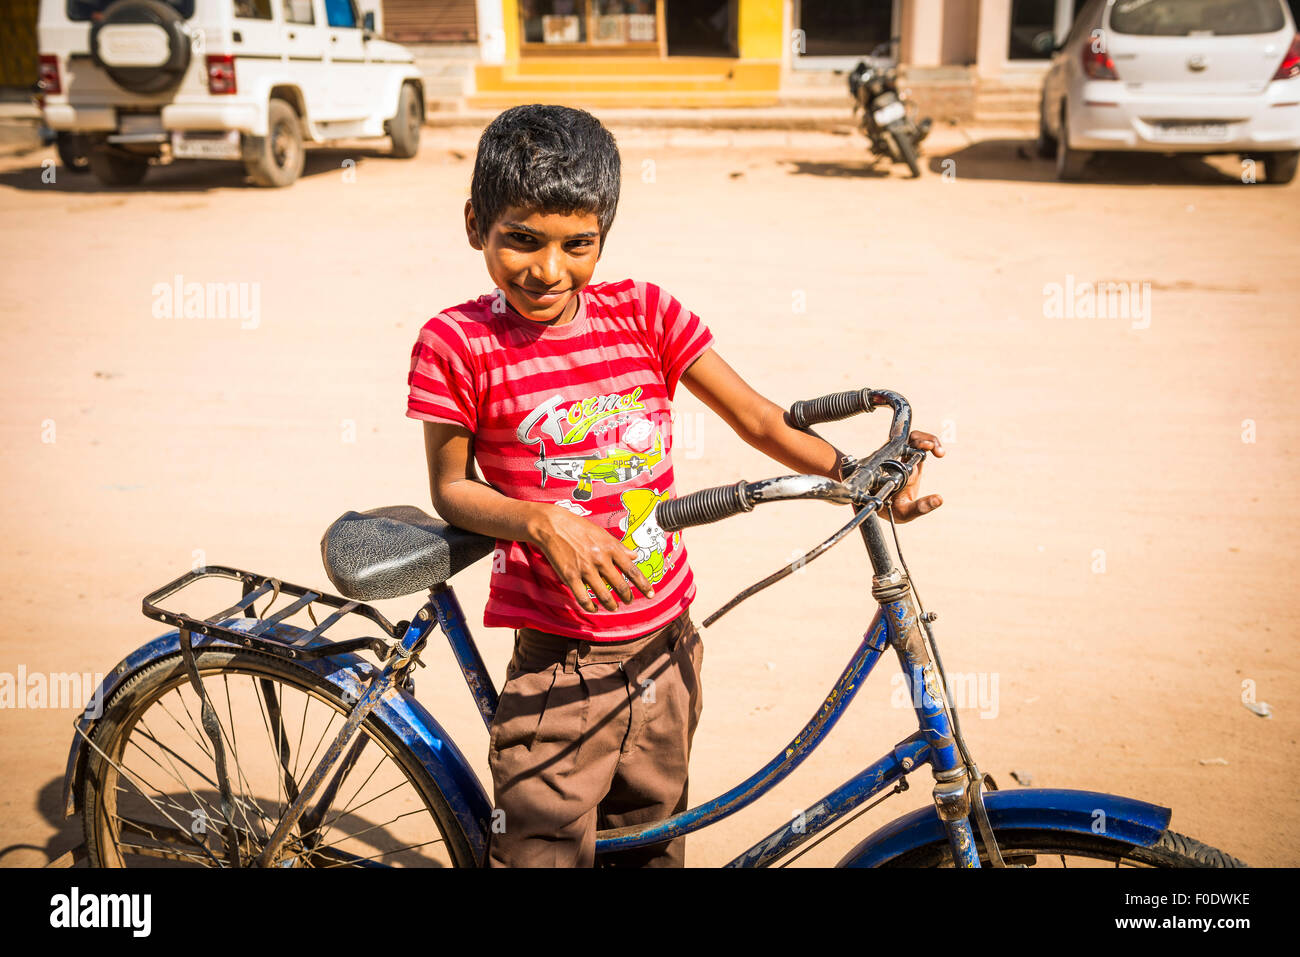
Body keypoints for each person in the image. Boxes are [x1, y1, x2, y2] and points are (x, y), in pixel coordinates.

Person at [406, 104, 944, 867]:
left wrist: (855, 473)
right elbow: (451, 490)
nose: (548, 269)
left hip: (668, 649)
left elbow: (759, 417)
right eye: (520, 239)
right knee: (539, 851)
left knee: (652, 839)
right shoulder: (457, 342)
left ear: (603, 238)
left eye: (576, 244)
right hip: (560, 662)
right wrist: (544, 522)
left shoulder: (647, 315)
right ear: (475, 225)